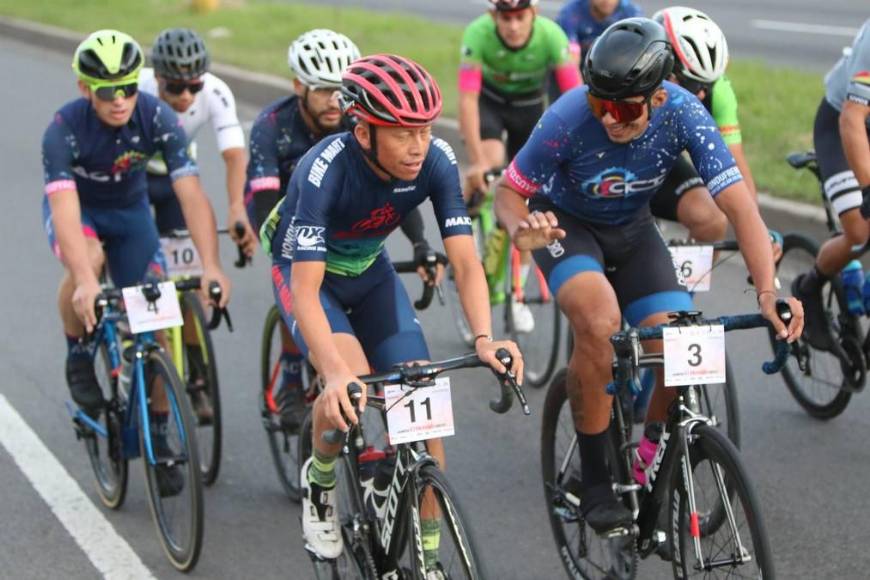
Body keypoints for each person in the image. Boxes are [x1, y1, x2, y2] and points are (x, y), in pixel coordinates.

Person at [494, 18, 803, 533]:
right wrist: (522, 224)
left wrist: (769, 291)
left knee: (683, 341)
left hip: (634, 233)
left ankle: (648, 452)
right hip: (567, 227)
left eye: (625, 108)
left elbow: (741, 209)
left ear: (658, 98)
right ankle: (594, 479)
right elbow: (509, 192)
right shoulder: (568, 116)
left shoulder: (685, 112)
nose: (610, 118)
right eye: (601, 104)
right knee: (598, 320)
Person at [264, 54, 522, 569]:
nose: (418, 145)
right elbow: (308, 289)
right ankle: (318, 478)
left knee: (420, 401)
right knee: (350, 385)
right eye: (402, 133)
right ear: (362, 132)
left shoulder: (436, 160)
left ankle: (427, 559)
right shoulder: (323, 170)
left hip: (370, 270)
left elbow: (466, 262)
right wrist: (332, 373)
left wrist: (484, 338)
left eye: (424, 129)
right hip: (309, 277)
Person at [42, 29, 231, 494]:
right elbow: (65, 208)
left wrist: (210, 265)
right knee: (86, 258)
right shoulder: (63, 129)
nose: (120, 99)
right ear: (86, 89)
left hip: (131, 216)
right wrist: (87, 280)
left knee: (158, 320)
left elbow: (191, 194)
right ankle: (79, 353)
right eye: (108, 91)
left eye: (128, 86)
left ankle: (161, 427)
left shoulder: (157, 116)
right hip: (81, 214)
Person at [250, 29, 438, 431]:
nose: (334, 101)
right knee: (302, 287)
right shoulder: (272, 127)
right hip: (287, 220)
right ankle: (291, 375)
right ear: (300, 86)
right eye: (322, 90)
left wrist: (421, 242)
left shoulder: (363, 123)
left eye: (341, 90)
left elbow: (392, 191)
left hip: (350, 229)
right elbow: (264, 203)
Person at [459, 0, 581, 330]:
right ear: (492, 16)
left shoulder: (552, 36)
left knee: (526, 197)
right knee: (493, 164)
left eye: (520, 17)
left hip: (530, 112)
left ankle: (517, 294)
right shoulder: (478, 34)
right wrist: (477, 162)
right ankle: (472, 224)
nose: (513, 26)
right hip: (491, 107)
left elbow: (576, 98)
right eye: (505, 18)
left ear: (534, 14)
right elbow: (468, 101)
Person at [648, 6, 760, 248]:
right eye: (691, 83)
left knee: (712, 221)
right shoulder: (633, 82)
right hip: (610, 171)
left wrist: (756, 228)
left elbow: (735, 162)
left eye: (706, 85)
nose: (700, 94)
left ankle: (681, 287)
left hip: (660, 165)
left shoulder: (719, 92)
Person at [792, 19, 870, 350]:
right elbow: (851, 119)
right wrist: (867, 189)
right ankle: (809, 287)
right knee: (860, 231)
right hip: (844, 125)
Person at [141, 27, 255, 254]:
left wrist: (237, 207)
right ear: (157, 77)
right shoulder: (137, 88)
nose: (186, 95)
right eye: (175, 86)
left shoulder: (216, 92)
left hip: (178, 174)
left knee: (186, 264)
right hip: (135, 174)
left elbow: (234, 156)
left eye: (194, 86)